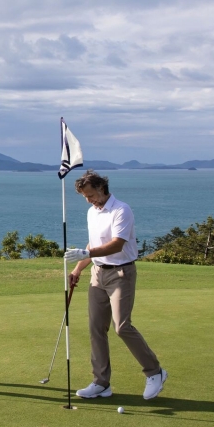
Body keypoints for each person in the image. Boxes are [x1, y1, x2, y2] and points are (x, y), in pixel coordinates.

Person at [64, 170, 167, 400]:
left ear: (101, 188)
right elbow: (94, 243)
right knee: (96, 328)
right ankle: (101, 383)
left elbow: (116, 245)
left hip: (121, 273)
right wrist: (79, 267)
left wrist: (87, 252)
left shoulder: (122, 210)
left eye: (90, 195)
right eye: (85, 197)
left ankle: (155, 372)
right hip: (97, 273)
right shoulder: (92, 212)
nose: (88, 200)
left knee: (122, 326)